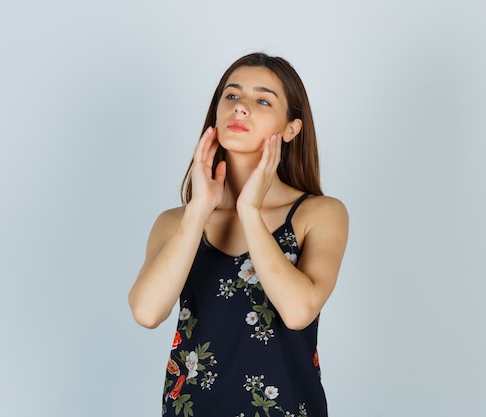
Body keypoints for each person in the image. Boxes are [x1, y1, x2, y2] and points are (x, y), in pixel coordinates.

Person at [128, 52, 349, 417]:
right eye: (231, 96)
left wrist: (249, 210)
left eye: (262, 100)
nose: (241, 108)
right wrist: (199, 209)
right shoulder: (176, 222)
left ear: (291, 128)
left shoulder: (319, 214)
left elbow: (298, 312)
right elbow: (147, 312)